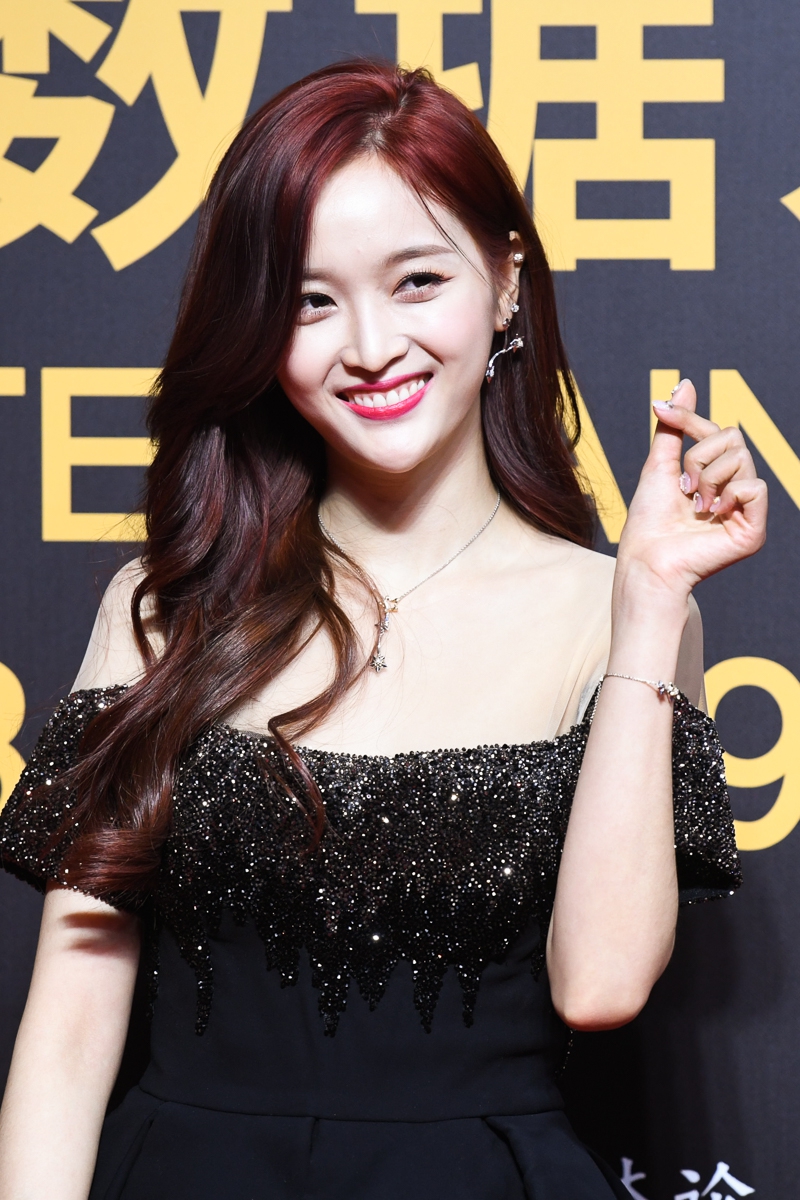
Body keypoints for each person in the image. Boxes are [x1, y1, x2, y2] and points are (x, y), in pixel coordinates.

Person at [0, 61, 765, 1200]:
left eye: (417, 282)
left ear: (505, 281)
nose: (367, 346)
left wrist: (649, 599)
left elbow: (599, 985)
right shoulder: (163, 609)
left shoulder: (614, 613)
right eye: (310, 301)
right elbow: (70, 1023)